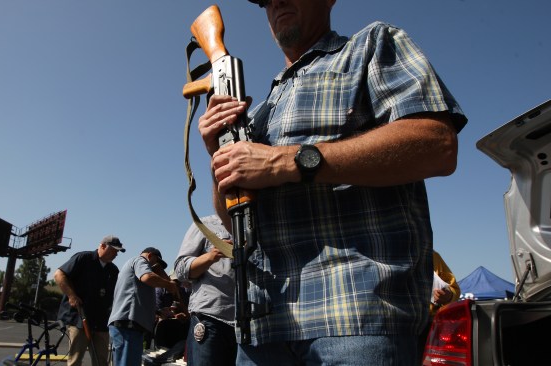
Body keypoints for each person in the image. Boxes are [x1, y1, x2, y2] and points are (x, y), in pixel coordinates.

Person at [197, 0, 468, 364]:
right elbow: (237, 227)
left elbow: (437, 144)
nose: (275, 2)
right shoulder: (258, 112)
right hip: (261, 331)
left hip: (354, 318)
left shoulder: (370, 45)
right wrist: (221, 160)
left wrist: (289, 161)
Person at [174, 215, 236, 366]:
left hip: (249, 322)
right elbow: (181, 270)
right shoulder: (205, 224)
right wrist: (210, 256)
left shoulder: (254, 223)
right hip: (211, 318)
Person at [54, 235, 125, 366]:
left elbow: (118, 294)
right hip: (80, 319)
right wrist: (72, 295)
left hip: (101, 322)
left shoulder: (113, 270)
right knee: (75, 360)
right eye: (114, 250)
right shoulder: (83, 258)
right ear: (103, 246)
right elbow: (59, 274)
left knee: (101, 361)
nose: (116, 254)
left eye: (118, 252)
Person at [108, 247, 178, 366]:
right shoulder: (140, 261)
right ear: (150, 256)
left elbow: (136, 297)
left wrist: (159, 312)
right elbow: (147, 277)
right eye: (157, 263)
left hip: (132, 325)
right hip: (128, 324)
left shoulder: (136, 270)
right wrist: (169, 285)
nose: (157, 268)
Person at [417, 250, 461, 363]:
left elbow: (454, 289)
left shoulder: (431, 255)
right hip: (394, 327)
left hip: (427, 328)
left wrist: (448, 295)